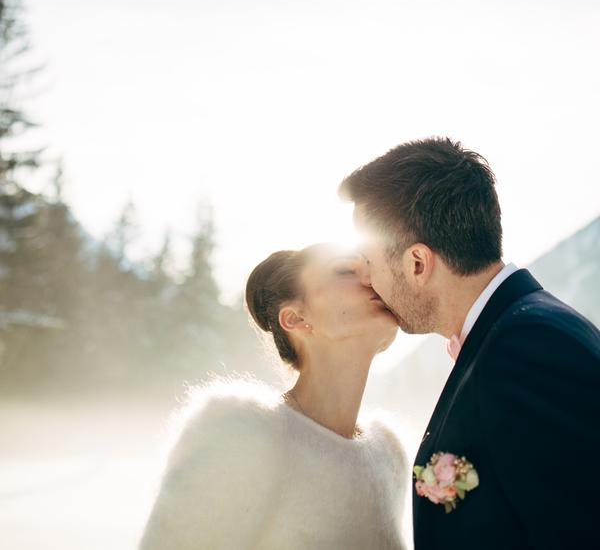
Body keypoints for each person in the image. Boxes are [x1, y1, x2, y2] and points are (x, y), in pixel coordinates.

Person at [339, 136, 600, 549]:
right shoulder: (517, 335)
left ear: (418, 264)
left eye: (369, 263)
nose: (367, 280)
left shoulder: (530, 350)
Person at [137, 242, 410, 550]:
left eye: (371, 269)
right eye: (346, 270)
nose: (372, 279)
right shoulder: (242, 434)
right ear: (295, 319)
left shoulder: (389, 454)